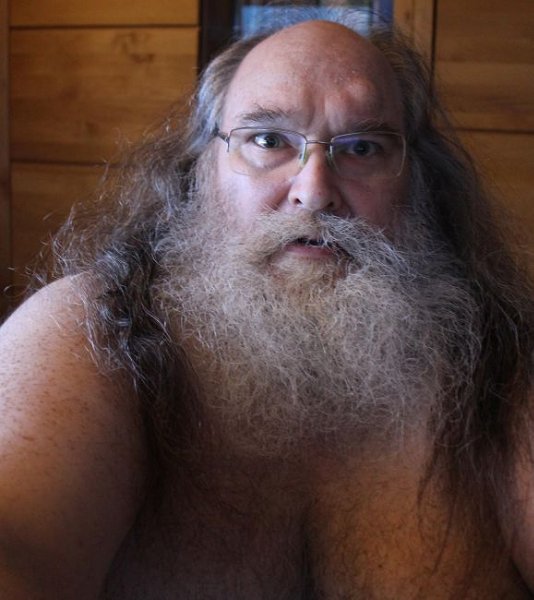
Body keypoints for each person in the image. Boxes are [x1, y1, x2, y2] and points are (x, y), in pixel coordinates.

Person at [0, 13, 533, 599]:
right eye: (268, 140)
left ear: (417, 183)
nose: (315, 191)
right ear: (201, 169)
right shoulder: (96, 327)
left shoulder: (504, 361)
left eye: (362, 147)